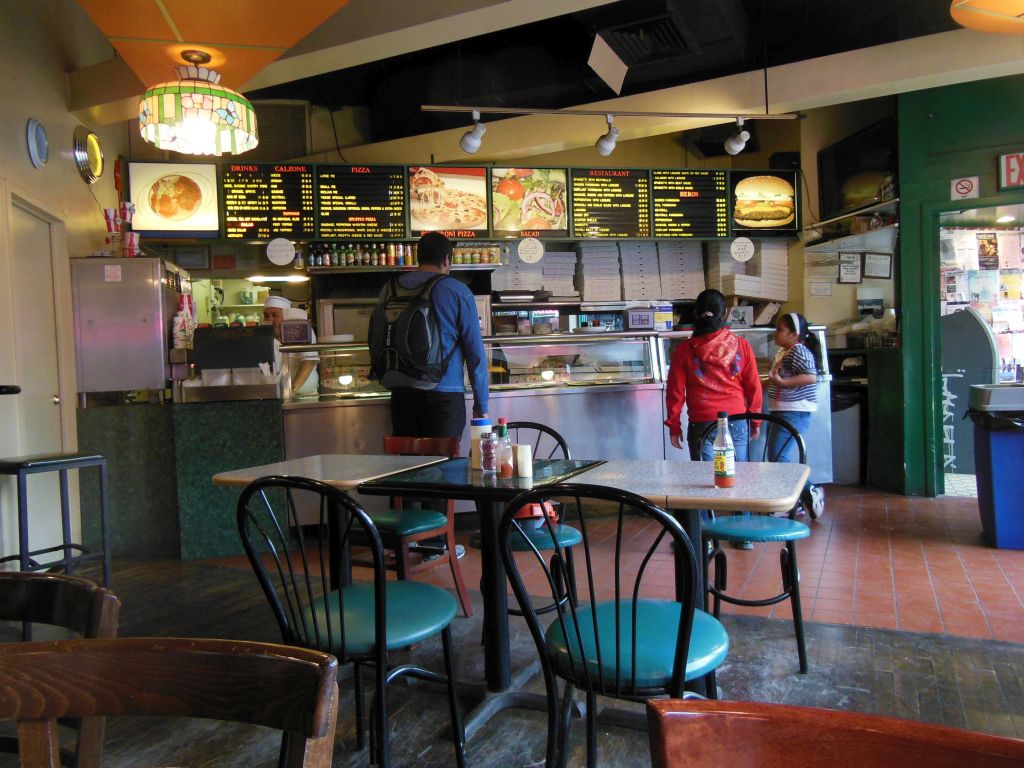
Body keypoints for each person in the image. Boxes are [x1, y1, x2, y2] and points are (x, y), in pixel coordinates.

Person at [664, 289, 762, 548]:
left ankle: (705, 536)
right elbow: (753, 386)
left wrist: (674, 425)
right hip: (737, 420)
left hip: (703, 424)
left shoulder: (685, 350)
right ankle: (743, 535)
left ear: (697, 314)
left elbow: (675, 392)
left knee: (704, 481)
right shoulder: (741, 346)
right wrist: (755, 420)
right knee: (739, 475)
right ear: (725, 313)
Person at [384, 231, 488, 438]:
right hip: (444, 395)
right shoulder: (457, 291)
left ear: (417, 257)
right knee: (443, 457)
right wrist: (481, 402)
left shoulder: (390, 289)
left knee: (408, 457)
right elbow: (475, 353)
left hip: (401, 393)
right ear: (447, 259)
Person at [767, 312, 825, 518]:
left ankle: (808, 490)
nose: (775, 333)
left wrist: (782, 383)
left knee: (778, 456)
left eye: (780, 330)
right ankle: (796, 501)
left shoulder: (798, 351)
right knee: (776, 456)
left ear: (794, 334)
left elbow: (810, 377)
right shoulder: (786, 351)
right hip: (784, 410)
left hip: (794, 411)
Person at [262, 295, 318, 397]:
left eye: (275, 315)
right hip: (275, 396)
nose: (270, 319)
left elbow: (309, 362)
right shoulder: (263, 337)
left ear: (287, 316)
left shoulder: (303, 331)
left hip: (305, 396)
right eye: (266, 315)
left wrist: (292, 391)